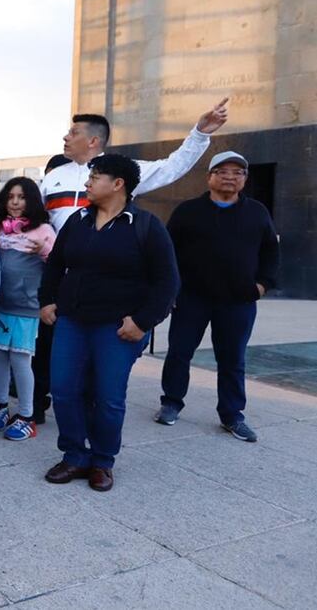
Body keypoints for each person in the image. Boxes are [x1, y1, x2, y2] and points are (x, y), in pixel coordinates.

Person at [32, 99, 230, 423]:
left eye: (73, 132)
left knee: (101, 377)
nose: (65, 138)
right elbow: (32, 218)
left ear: (93, 140)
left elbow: (172, 166)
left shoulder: (126, 170)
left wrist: (199, 133)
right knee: (51, 359)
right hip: (63, 287)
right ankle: (36, 411)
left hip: (109, 291)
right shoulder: (53, 178)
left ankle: (97, 435)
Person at [40, 154, 180, 492]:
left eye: (95, 177)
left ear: (118, 184)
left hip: (117, 328)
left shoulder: (146, 226)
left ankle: (102, 461)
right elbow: (56, 265)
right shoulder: (78, 221)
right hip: (72, 321)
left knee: (108, 396)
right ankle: (74, 455)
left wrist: (143, 322)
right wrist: (47, 301)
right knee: (63, 390)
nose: (87, 183)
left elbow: (168, 281)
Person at [156, 151, 280, 441]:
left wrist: (261, 285)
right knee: (179, 353)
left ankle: (232, 415)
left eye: (238, 172)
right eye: (223, 171)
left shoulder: (257, 212)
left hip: (238, 301)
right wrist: (170, 290)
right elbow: (166, 253)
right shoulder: (188, 211)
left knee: (232, 359)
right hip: (192, 298)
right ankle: (171, 403)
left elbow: (271, 253)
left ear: (245, 180)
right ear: (209, 176)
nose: (230, 177)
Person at [0, 177, 55, 441]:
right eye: (10, 196)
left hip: (26, 307)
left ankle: (26, 415)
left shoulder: (44, 230)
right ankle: (1, 406)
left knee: (21, 360)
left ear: (32, 200)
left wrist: (44, 250)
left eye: (21, 197)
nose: (15, 202)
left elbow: (58, 264)